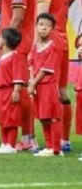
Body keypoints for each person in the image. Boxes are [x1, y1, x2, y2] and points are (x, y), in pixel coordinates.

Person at [35, 0, 72, 152]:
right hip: (62, 40)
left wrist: (37, 44)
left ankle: (53, 144)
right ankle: (64, 139)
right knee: (61, 91)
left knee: (49, 93)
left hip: (49, 42)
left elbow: (43, 18)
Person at [0, 0, 37, 151]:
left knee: (20, 90)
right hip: (17, 44)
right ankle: (25, 136)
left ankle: (28, 138)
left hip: (18, 44)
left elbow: (18, 17)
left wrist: (5, 40)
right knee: (18, 90)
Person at [29, 13, 64, 157]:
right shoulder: (36, 46)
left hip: (48, 85)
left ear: (52, 29)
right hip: (37, 85)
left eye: (48, 26)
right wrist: (31, 82)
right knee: (43, 117)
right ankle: (49, 146)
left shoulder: (52, 47)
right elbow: (31, 64)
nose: (44, 28)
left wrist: (34, 82)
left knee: (52, 116)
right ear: (36, 26)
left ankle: (55, 148)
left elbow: (46, 69)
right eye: (41, 24)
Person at [0, 28, 27, 155]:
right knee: (2, 118)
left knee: (11, 118)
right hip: (0, 91)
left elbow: (18, 75)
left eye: (0, 37)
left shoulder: (15, 56)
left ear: (6, 41)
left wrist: (16, 90)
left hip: (9, 90)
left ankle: (10, 144)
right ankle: (3, 143)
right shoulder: (2, 57)